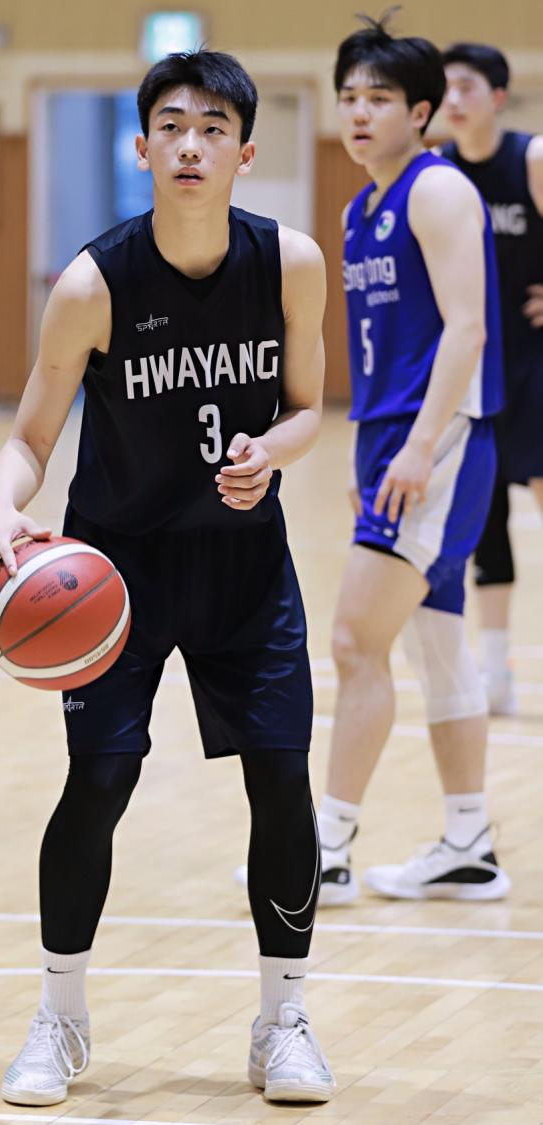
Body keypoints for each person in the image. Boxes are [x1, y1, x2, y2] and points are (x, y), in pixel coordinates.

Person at [0, 50, 335, 1106]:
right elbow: (31, 437)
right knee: (100, 781)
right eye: (172, 126)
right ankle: (61, 1017)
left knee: (281, 780)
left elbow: (310, 407)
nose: (191, 144)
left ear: (245, 153)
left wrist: (274, 451)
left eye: (214, 128)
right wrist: (0, 506)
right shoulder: (94, 284)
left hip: (244, 566)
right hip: (117, 572)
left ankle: (283, 1020)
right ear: (142, 148)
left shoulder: (291, 263)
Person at [315, 16, 512, 905]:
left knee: (356, 641)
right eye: (348, 97)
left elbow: (467, 330)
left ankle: (324, 850)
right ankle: (468, 842)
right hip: (391, 442)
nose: (359, 113)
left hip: (439, 443)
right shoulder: (359, 210)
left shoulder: (437, 192)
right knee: (437, 644)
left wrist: (421, 448)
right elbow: (384, 347)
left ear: (421, 112)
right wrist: (370, 449)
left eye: (380, 98)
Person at [440, 43, 543, 715]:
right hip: (477, 367)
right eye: (445, 88)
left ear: (498, 96)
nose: (453, 99)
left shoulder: (530, 158)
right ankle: (497, 670)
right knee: (486, 521)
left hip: (536, 361)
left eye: (467, 87)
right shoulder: (439, 172)